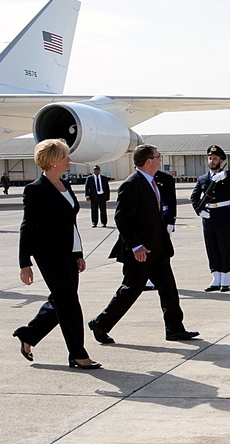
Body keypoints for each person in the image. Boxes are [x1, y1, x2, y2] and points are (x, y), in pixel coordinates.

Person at [87, 144, 198, 345]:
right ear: (148, 161)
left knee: (169, 289)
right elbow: (122, 219)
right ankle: (100, 324)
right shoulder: (132, 184)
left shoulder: (152, 181)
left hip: (158, 248)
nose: (160, 159)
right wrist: (136, 246)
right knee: (130, 290)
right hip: (141, 251)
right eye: (158, 156)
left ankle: (175, 329)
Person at [13, 140, 99, 368]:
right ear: (52, 161)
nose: (69, 160)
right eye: (65, 156)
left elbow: (71, 222)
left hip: (69, 253)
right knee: (69, 302)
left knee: (61, 300)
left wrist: (78, 252)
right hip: (49, 254)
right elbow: (27, 226)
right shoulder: (35, 190)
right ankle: (78, 354)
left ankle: (28, 335)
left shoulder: (65, 185)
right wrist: (24, 263)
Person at [191, 145, 230, 292]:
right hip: (208, 217)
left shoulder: (226, 177)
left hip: (223, 215)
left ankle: (226, 278)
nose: (212, 161)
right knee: (211, 248)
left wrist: (226, 174)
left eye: (215, 158)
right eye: (210, 158)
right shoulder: (203, 178)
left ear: (221, 160)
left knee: (224, 247)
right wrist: (199, 211)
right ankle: (215, 278)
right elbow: (194, 197)